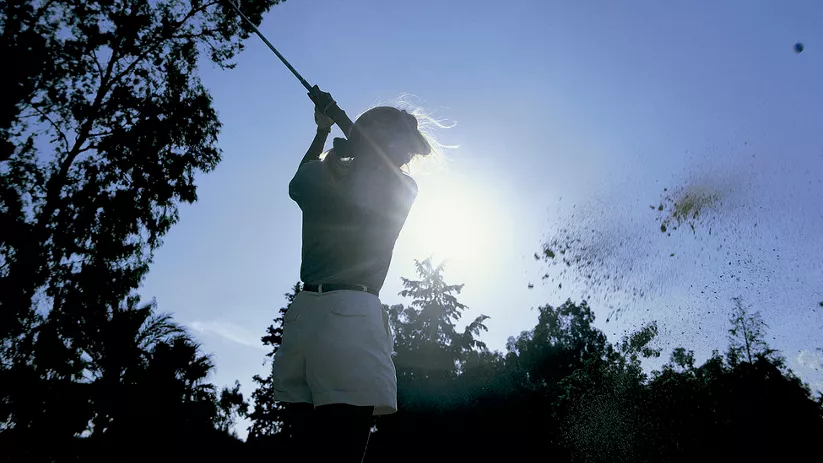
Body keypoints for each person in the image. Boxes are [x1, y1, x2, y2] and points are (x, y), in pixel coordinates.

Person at [272, 86, 432, 462]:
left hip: (303, 317)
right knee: (341, 457)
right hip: (352, 317)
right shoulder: (401, 188)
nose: (407, 161)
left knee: (307, 452)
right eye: (404, 151)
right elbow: (374, 163)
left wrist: (324, 129)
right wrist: (334, 119)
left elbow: (300, 179)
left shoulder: (323, 179)